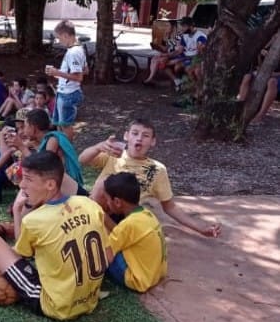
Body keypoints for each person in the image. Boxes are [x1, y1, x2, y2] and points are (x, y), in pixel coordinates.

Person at [0, 152, 111, 321]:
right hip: (90, 298)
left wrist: (17, 211)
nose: (22, 185)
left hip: (58, 305)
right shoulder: (89, 204)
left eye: (28, 179)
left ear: (50, 184)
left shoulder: (35, 220)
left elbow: (20, 254)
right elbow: (107, 252)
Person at [78, 118, 221, 237]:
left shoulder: (157, 169)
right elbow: (82, 160)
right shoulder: (114, 154)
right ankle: (88, 221)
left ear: (153, 141)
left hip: (120, 215)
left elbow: (170, 207)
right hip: (96, 204)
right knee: (71, 179)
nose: (139, 138)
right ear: (126, 136)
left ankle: (104, 230)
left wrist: (200, 228)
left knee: (104, 184)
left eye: (145, 135)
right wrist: (98, 147)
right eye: (135, 133)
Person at [103, 173, 167, 293]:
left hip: (138, 281)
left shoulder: (128, 225)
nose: (106, 203)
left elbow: (106, 257)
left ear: (117, 202)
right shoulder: (147, 214)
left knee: (101, 251)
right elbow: (121, 232)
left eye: (107, 199)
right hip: (155, 274)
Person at [46, 20, 85, 141]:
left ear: (65, 35)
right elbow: (85, 69)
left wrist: (57, 73)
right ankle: (60, 146)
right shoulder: (78, 49)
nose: (59, 41)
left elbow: (79, 77)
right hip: (63, 91)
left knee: (65, 125)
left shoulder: (73, 52)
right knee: (59, 123)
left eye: (59, 38)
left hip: (68, 93)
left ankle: (68, 149)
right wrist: (59, 74)